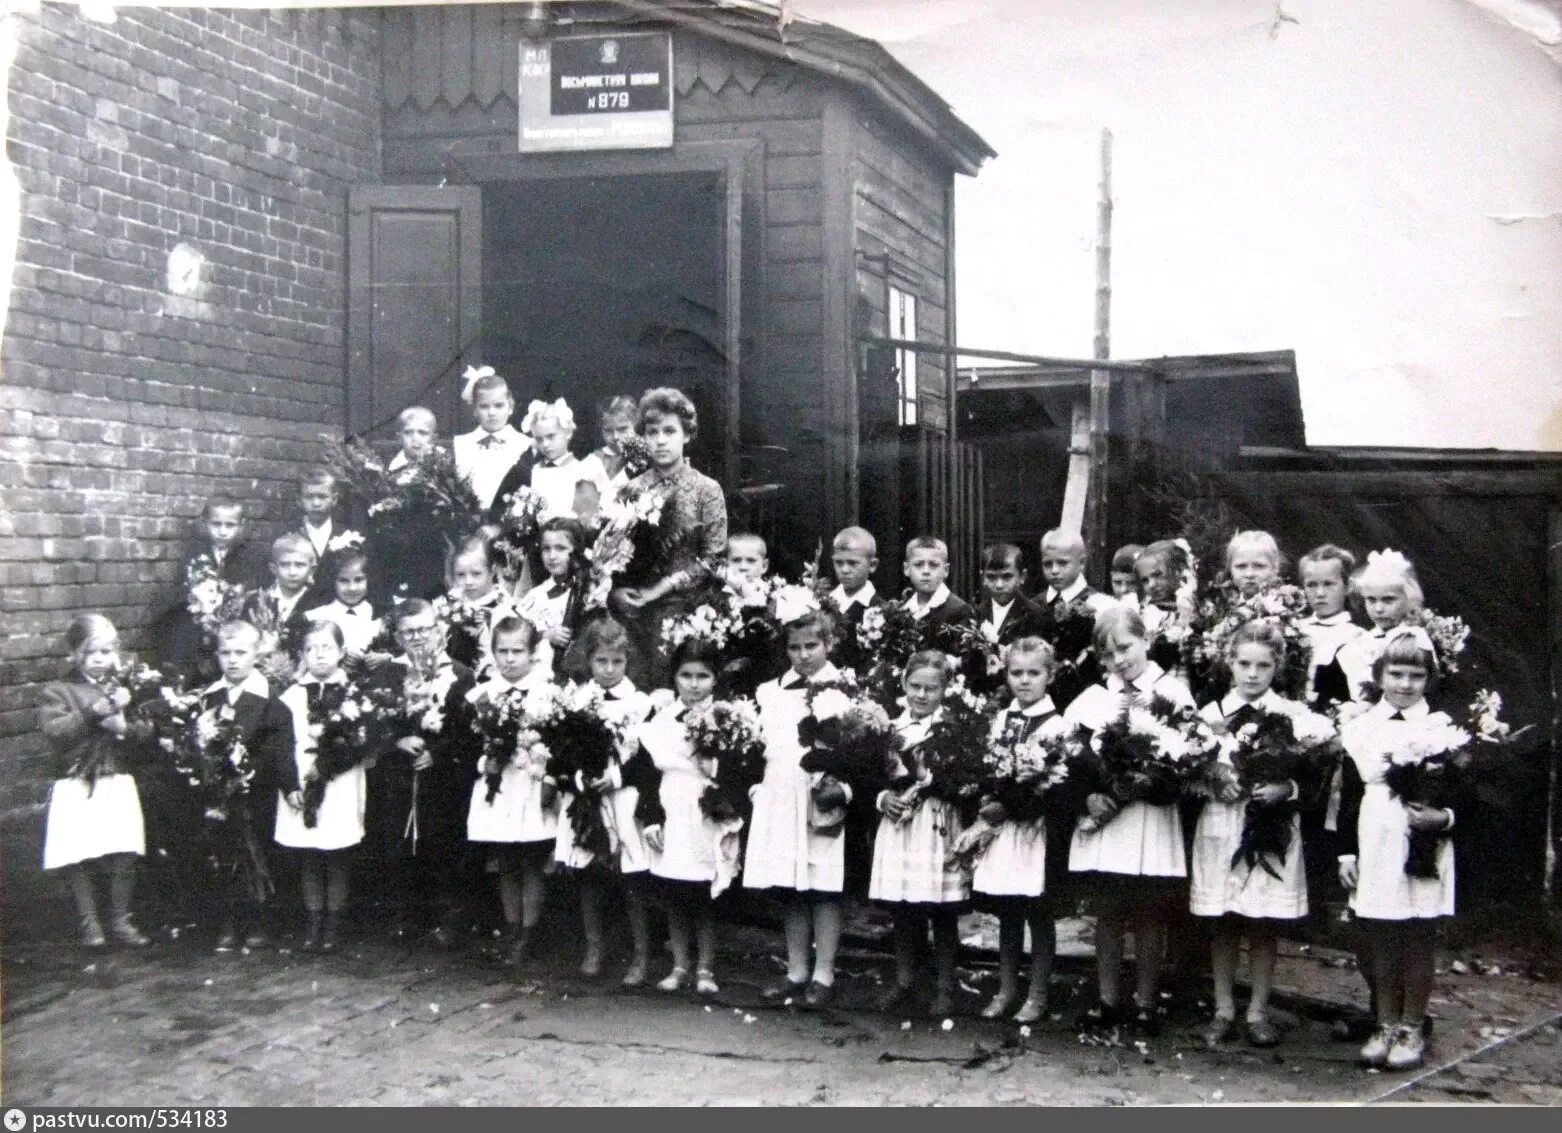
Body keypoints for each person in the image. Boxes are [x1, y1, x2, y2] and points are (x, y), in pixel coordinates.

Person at [1193, 621, 1332, 1049]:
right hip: (1221, 824)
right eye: (1244, 664)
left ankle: (1257, 1009)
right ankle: (1222, 1007)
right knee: (1224, 920)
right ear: (1229, 664)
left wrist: (1284, 789)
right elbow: (1187, 771)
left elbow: (1315, 780)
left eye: (1263, 665)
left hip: (1270, 830)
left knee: (1262, 921)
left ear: (1277, 667)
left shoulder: (1294, 718)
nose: (1252, 674)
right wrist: (1213, 780)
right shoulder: (1210, 716)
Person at [1338, 627, 1468, 1071]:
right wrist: (1346, 854)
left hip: (1422, 842)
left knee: (1416, 936)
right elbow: (1349, 795)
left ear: (1429, 679)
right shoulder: (1361, 729)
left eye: (1415, 675)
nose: (1405, 684)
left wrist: (1443, 818)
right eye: (1396, 673)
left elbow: (1466, 795)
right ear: (1380, 674)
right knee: (1379, 936)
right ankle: (1385, 1022)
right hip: (1375, 836)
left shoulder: (1441, 728)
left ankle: (1413, 1025)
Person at [1064, 604, 1196, 1033]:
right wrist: (1089, 797)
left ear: (1146, 641)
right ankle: (1107, 998)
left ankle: (1145, 1000)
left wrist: (1147, 783)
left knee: (1149, 913)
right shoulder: (1093, 699)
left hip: (1149, 821)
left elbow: (1186, 759)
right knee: (1108, 912)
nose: (1119, 660)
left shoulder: (1171, 693)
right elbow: (1068, 760)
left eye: (1125, 647)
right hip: (1108, 821)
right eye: (1107, 654)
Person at [744, 608, 853, 1008]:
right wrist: (759, 788)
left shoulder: (842, 689)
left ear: (828, 644)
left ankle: (824, 972)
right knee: (790, 887)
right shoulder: (769, 692)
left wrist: (839, 788)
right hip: (781, 793)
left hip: (820, 794)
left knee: (823, 887)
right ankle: (796, 970)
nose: (803, 655)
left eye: (812, 646)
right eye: (795, 647)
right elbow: (763, 747)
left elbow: (856, 749)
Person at [969, 638, 1074, 1023]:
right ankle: (1007, 988)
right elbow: (988, 770)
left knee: (1037, 913)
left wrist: (1011, 804)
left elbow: (1055, 789)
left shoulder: (1058, 725)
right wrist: (985, 796)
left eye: (1034, 673)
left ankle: (1039, 993)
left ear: (1050, 675)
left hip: (1035, 834)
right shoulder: (1001, 720)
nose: (1025, 681)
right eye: (1017, 673)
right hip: (1003, 834)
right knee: (1008, 912)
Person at [37, 614, 152, 949]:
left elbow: (149, 731)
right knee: (78, 851)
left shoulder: (127, 686)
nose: (101, 659)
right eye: (93, 653)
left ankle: (120, 918)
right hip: (78, 781)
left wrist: (126, 728)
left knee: (124, 848)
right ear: (76, 654)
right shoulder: (58, 691)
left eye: (107, 651)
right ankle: (90, 923)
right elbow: (54, 731)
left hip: (115, 777)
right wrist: (93, 712)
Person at [871, 651, 970, 1019]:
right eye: (915, 686)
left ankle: (945, 986)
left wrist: (929, 778)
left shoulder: (953, 729)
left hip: (935, 825)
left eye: (931, 688)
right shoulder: (889, 728)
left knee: (940, 910)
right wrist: (883, 798)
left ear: (945, 690)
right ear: (903, 685)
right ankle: (906, 980)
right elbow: (871, 775)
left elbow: (963, 783)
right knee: (904, 908)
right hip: (899, 826)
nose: (922, 695)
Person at [375, 599, 478, 948]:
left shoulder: (460, 675)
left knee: (442, 843)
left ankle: (449, 918)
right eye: (409, 632)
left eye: (424, 629)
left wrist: (437, 752)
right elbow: (372, 724)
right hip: (400, 774)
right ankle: (405, 916)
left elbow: (468, 732)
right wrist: (398, 739)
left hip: (443, 776)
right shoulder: (389, 674)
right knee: (400, 844)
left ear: (439, 630)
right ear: (398, 637)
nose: (418, 638)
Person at [611, 388, 728, 688]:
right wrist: (617, 592)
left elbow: (714, 559)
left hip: (685, 608)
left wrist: (662, 588)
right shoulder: (630, 489)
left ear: (687, 435)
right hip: (634, 609)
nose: (660, 440)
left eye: (669, 431)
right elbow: (613, 555)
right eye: (652, 432)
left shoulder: (706, 489)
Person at [631, 638, 728, 995]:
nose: (693, 683)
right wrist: (652, 818)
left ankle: (706, 966)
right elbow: (646, 774)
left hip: (704, 807)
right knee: (674, 890)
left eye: (703, 675)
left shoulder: (725, 716)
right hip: (671, 804)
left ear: (715, 679)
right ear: (674, 676)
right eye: (686, 675)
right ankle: (680, 964)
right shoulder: (662, 718)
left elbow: (736, 767)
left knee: (702, 889)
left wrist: (716, 769)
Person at [559, 619, 653, 985]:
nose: (609, 670)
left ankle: (641, 954)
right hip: (588, 800)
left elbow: (645, 759)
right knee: (590, 874)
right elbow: (564, 752)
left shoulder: (640, 703)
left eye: (617, 661)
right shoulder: (578, 699)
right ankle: (594, 946)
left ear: (628, 661)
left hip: (623, 796)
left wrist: (614, 778)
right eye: (601, 661)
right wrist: (581, 778)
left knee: (630, 877)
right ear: (589, 660)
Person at [464, 615, 555, 968]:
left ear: (533, 653)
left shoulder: (548, 694)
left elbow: (556, 742)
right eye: (502, 651)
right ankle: (513, 928)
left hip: (531, 785)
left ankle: (530, 932)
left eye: (518, 651)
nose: (509, 658)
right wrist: (482, 763)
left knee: (532, 859)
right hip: (498, 787)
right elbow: (469, 743)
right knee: (505, 863)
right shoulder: (482, 694)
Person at [275, 621, 369, 954]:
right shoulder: (289, 697)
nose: (318, 655)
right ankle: (313, 922)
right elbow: (282, 748)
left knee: (336, 853)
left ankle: (334, 923)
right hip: (303, 779)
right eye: (311, 649)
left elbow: (361, 743)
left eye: (326, 647)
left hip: (339, 781)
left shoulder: (355, 693)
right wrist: (290, 786)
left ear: (342, 653)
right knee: (310, 856)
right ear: (302, 654)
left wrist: (330, 765)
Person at [201, 620, 294, 952]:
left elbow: (277, 747)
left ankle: (262, 920)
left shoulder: (270, 700)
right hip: (220, 795)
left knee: (258, 854)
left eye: (241, 652)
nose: (233, 660)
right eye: (225, 653)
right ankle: (229, 921)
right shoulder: (209, 697)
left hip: (257, 792)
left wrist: (250, 769)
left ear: (258, 653)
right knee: (223, 854)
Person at [1337, 549, 1423, 703]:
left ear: (1408, 599)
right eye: (1371, 600)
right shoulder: (1360, 643)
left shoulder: (1418, 638)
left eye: (1388, 600)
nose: (1378, 609)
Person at [1297, 544, 1365, 711]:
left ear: (1347, 586)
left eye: (1328, 584)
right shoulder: (1294, 628)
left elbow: (1361, 698)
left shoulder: (1357, 637)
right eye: (1311, 585)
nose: (1320, 593)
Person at [515, 518, 585, 677]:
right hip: (536, 672)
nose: (552, 556)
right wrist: (547, 635)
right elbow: (517, 635)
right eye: (546, 549)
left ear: (576, 551)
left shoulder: (586, 592)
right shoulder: (536, 594)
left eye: (560, 548)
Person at [452, 366, 527, 514]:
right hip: (469, 523)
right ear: (474, 410)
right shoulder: (461, 445)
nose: (492, 412)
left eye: (499, 405)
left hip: (509, 524)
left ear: (510, 407)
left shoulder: (524, 444)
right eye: (484, 406)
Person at [434, 535, 508, 674]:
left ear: (492, 571)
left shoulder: (503, 606)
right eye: (461, 575)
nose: (468, 581)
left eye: (476, 574)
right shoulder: (450, 604)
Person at [242, 533, 317, 660]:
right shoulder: (255, 601)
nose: (292, 572)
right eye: (285, 565)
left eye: (299, 565)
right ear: (273, 568)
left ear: (312, 570)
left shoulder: (317, 603)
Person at [305, 545, 383, 657]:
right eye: (344, 581)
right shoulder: (316, 616)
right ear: (333, 581)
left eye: (359, 580)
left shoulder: (377, 614)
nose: (352, 588)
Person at [827, 526, 883, 674]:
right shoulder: (822, 602)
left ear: (872, 565)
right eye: (839, 563)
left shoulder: (880, 609)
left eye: (852, 563)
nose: (844, 570)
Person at [292, 467, 346, 608]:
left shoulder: (346, 535)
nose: (316, 503)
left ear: (334, 499)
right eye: (309, 497)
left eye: (322, 497)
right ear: (299, 500)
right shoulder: (289, 534)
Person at [975, 542, 1045, 647]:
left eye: (1007, 577)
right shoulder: (975, 614)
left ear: (1022, 576)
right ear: (983, 578)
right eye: (991, 577)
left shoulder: (1036, 616)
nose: (999, 585)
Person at [577, 394, 642, 503]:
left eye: (622, 429)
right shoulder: (594, 462)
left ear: (636, 425)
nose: (616, 437)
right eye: (608, 431)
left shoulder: (646, 457)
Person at [901, 536, 975, 629]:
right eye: (918, 564)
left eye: (934, 565)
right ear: (906, 569)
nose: (926, 571)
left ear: (946, 570)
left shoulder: (960, 611)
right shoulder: (903, 608)